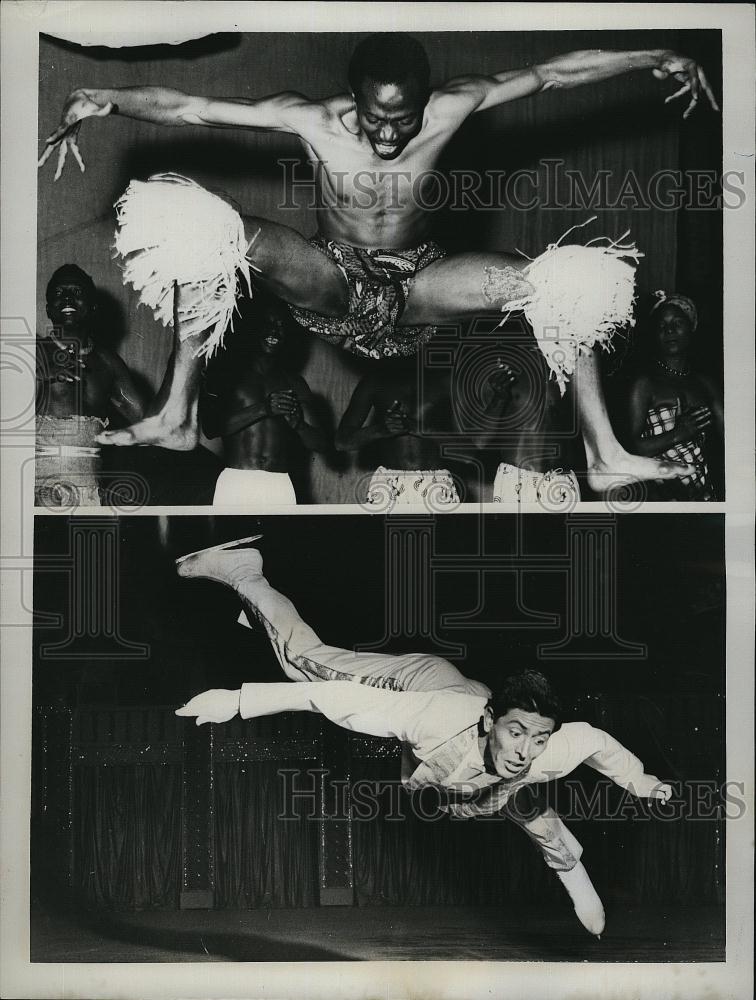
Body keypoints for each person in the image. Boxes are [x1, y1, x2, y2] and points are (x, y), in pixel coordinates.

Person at [39, 35, 718, 490]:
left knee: (576, 276)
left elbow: (549, 75)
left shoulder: (455, 105)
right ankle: (175, 415)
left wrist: (648, 56)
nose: (390, 135)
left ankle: (603, 455)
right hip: (331, 280)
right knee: (204, 226)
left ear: (424, 99)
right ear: (354, 99)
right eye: (375, 119)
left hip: (421, 284)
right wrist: (108, 98)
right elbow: (190, 107)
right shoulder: (309, 120)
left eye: (404, 120)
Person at [174, 537, 673, 936]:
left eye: (539, 738)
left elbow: (599, 742)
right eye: (518, 733)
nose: (526, 751)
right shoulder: (429, 717)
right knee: (306, 666)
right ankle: (244, 570)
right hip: (427, 685)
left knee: (520, 802)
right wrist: (238, 701)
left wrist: (643, 782)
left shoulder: (542, 750)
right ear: (491, 722)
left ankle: (579, 884)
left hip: (465, 738)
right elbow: (329, 701)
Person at [36, 263, 145, 506]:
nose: (66, 297)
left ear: (94, 308)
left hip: (91, 495)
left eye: (76, 292)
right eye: (58, 293)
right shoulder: (32, 352)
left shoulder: (109, 363)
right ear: (48, 309)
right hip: (36, 494)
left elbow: (145, 422)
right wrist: (38, 373)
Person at [201, 295, 328, 505]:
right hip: (236, 480)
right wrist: (263, 409)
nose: (274, 331)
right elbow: (211, 427)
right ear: (252, 328)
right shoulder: (228, 374)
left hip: (280, 484)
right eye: (267, 323)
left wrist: (299, 425)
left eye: (281, 325)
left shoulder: (295, 383)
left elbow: (322, 444)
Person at [625, 292, 724, 500]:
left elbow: (732, 440)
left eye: (677, 322)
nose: (669, 330)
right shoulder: (645, 384)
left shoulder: (705, 383)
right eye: (661, 326)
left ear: (691, 327)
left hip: (703, 493)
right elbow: (629, 449)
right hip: (660, 495)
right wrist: (679, 433)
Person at [335, 357, 462, 508]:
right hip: (389, 483)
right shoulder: (375, 381)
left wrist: (426, 430)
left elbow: (471, 446)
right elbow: (342, 442)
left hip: (436, 482)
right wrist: (381, 430)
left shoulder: (447, 380)